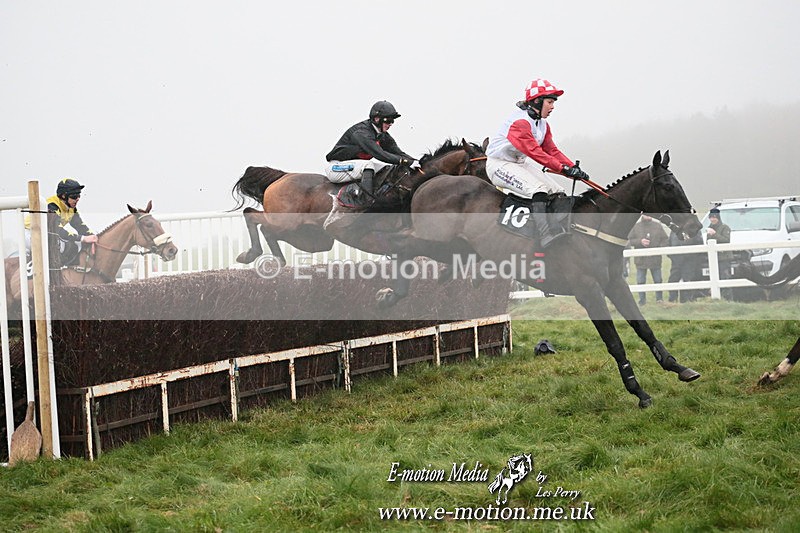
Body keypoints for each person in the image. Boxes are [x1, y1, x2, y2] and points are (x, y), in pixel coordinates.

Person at [485, 78, 589, 247]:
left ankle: (557, 228)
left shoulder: (543, 125)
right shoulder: (520, 123)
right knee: (538, 190)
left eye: (553, 102)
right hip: (498, 165)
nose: (553, 107)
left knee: (557, 191)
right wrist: (563, 169)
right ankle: (545, 235)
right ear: (537, 101)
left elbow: (552, 151)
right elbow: (536, 153)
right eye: (549, 102)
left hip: (518, 163)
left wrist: (572, 168)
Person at [324, 101, 419, 205]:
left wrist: (417, 162)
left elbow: (398, 153)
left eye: (392, 120)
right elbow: (380, 155)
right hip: (336, 168)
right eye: (388, 120)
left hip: (352, 167)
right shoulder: (362, 133)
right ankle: (366, 201)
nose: (391, 124)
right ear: (377, 119)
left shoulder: (382, 135)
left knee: (387, 168)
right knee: (368, 165)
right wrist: (405, 162)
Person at [26, 178, 98, 264]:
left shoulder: (71, 208)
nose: (77, 199)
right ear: (63, 196)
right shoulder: (52, 206)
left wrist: (93, 237)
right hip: (31, 233)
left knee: (74, 245)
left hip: (47, 233)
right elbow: (57, 230)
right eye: (74, 196)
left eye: (79, 196)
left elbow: (80, 226)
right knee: (64, 246)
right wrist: (83, 238)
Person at [627, 215, 668, 305]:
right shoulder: (636, 226)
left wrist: (659, 248)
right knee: (641, 281)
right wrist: (640, 241)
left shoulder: (658, 226)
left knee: (658, 280)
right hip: (641, 260)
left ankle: (659, 300)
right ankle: (642, 301)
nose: (648, 215)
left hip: (655, 259)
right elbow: (629, 240)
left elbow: (665, 239)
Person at [667, 229, 704, 302]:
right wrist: (672, 255)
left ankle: (686, 301)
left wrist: (693, 256)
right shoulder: (674, 230)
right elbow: (669, 243)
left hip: (689, 260)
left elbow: (699, 243)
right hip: (676, 260)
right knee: (673, 279)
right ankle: (672, 300)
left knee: (688, 280)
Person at [707, 207, 732, 299]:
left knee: (725, 278)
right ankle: (717, 298)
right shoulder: (709, 228)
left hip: (724, 258)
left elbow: (726, 240)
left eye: (714, 217)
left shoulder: (725, 227)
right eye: (711, 217)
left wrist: (715, 234)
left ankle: (728, 298)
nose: (712, 219)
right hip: (713, 258)